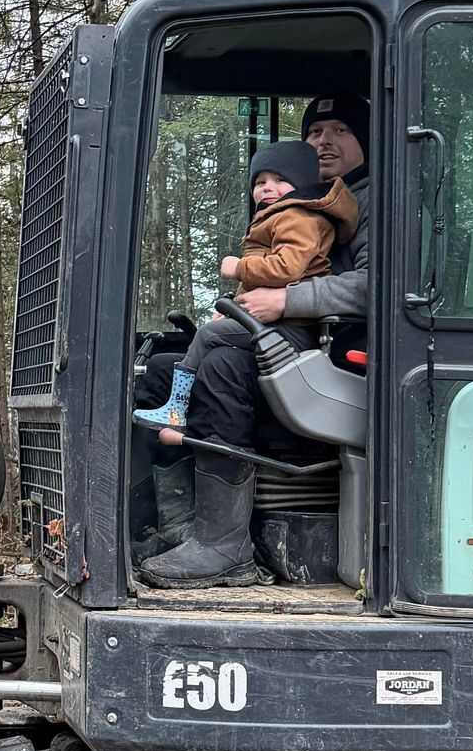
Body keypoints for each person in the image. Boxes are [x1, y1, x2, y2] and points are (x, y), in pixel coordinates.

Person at [139, 89, 370, 590]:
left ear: (365, 140)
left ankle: (225, 548)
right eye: (314, 133)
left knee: (222, 367)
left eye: (341, 131)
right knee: (162, 368)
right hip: (297, 345)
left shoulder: (373, 204)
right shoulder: (298, 203)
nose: (324, 141)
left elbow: (376, 287)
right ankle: (186, 531)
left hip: (345, 359)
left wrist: (287, 301)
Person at [134, 141, 357, 442]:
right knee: (181, 353)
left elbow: (287, 268)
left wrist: (238, 267)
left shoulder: (298, 217)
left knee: (209, 338)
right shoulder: (280, 214)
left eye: (280, 180)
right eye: (260, 181)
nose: (268, 188)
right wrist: (234, 308)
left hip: (291, 329)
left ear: (302, 183)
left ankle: (178, 409)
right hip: (276, 324)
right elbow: (262, 282)